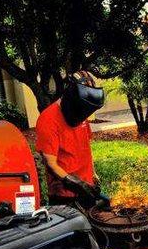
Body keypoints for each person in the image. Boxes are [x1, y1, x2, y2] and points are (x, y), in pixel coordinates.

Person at [36, 71, 105, 209]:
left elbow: (86, 147)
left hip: (87, 188)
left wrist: (93, 175)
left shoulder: (81, 111)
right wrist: (77, 185)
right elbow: (50, 164)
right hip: (64, 196)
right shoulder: (48, 119)